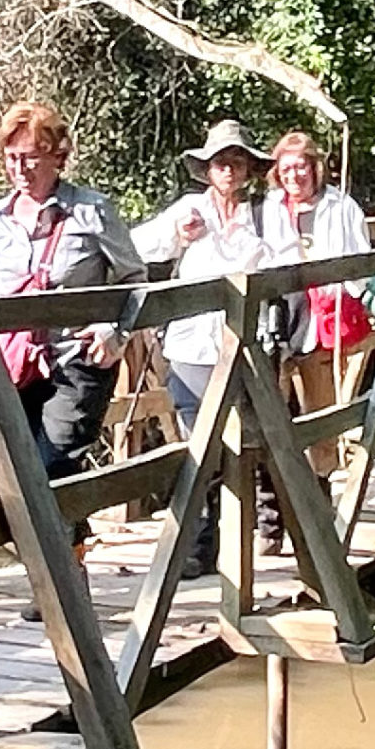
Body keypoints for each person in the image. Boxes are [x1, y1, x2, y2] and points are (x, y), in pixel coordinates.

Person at [0, 101, 145, 488]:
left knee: (52, 467)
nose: (20, 168)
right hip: (15, 365)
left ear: (58, 157)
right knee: (18, 472)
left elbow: (135, 278)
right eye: (12, 157)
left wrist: (114, 330)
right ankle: (74, 545)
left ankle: (61, 546)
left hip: (76, 361)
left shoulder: (92, 211)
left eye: (31, 157)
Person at [133, 119, 274, 576]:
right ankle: (200, 548)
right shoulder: (190, 208)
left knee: (256, 441)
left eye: (236, 162)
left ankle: (272, 525)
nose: (228, 171)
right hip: (192, 348)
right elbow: (139, 247)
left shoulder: (265, 214)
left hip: (247, 347)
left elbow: (291, 263)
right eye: (220, 163)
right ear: (207, 171)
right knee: (201, 447)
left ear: (250, 169)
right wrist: (178, 235)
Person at [261, 130, 375, 469]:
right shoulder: (267, 208)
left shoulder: (340, 207)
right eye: (286, 169)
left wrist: (341, 285)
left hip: (322, 318)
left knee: (321, 408)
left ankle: (322, 480)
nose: (293, 175)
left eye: (300, 167)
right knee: (276, 408)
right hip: (279, 315)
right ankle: (281, 489)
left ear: (314, 167)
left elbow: (362, 261)